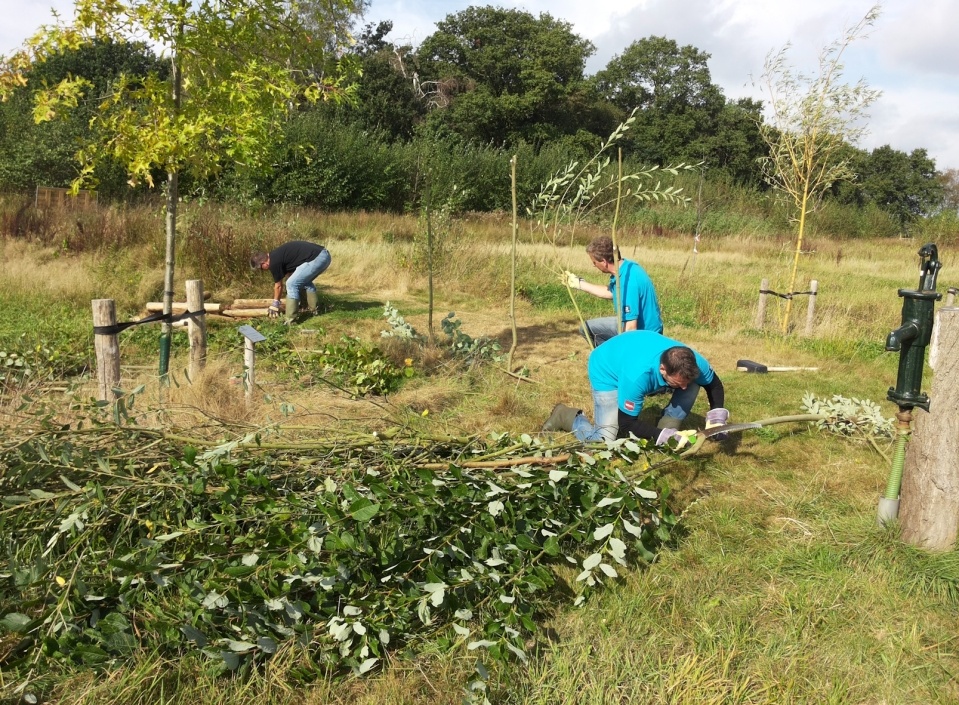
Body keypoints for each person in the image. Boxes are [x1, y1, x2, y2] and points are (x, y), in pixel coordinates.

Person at [541, 330, 730, 445]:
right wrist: (660, 436)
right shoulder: (637, 376)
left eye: (685, 380)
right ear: (663, 369)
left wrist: (717, 420)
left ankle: (669, 427)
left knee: (693, 384)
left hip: (634, 351)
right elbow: (627, 423)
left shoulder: (695, 363)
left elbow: (715, 385)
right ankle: (565, 415)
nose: (683, 388)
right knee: (603, 440)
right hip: (607, 369)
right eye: (677, 382)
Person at [561, 235, 663, 346]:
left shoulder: (626, 283)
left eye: (594, 262)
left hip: (644, 334)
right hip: (639, 325)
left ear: (604, 262)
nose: (594, 265)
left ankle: (609, 359)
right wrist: (579, 284)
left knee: (589, 332)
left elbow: (631, 329)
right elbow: (612, 292)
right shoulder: (628, 267)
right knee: (587, 328)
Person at [250, 241, 331, 324]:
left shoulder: (274, 262)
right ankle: (314, 310)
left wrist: (275, 303)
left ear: (263, 264)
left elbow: (278, 286)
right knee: (303, 282)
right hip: (323, 255)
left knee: (291, 283)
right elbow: (290, 275)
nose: (263, 270)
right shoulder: (276, 255)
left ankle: (290, 320)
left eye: (261, 268)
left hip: (318, 258)